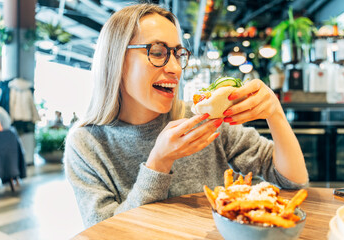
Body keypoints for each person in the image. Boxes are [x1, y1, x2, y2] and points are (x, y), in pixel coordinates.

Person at [64, 3, 308, 228]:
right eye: (158, 52)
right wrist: (158, 163)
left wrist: (275, 114)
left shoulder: (204, 119)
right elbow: (104, 232)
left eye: (178, 54)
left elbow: (293, 181)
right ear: (116, 58)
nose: (175, 68)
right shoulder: (86, 144)